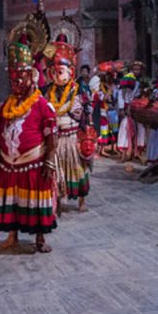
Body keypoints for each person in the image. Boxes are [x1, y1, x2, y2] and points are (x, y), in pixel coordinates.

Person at [0, 7, 58, 253]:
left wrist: (50, 159)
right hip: (9, 165)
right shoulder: (5, 105)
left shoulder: (42, 105)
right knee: (12, 203)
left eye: (20, 79)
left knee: (37, 202)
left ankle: (39, 239)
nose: (15, 84)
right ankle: (12, 236)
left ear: (32, 77)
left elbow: (51, 135)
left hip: (34, 163)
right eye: (12, 80)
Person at [45, 17, 90, 212]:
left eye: (61, 71)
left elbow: (84, 116)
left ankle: (81, 201)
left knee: (76, 169)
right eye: (54, 72)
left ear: (71, 72)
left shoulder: (78, 91)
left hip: (72, 138)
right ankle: (58, 200)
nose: (57, 76)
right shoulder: (48, 91)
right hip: (56, 139)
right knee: (56, 171)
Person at [116, 61, 147, 162]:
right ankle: (124, 153)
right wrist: (122, 108)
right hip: (127, 107)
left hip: (137, 108)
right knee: (125, 128)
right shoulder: (127, 80)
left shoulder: (140, 82)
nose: (136, 71)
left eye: (138, 70)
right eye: (134, 69)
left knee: (140, 128)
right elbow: (121, 94)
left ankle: (138, 151)